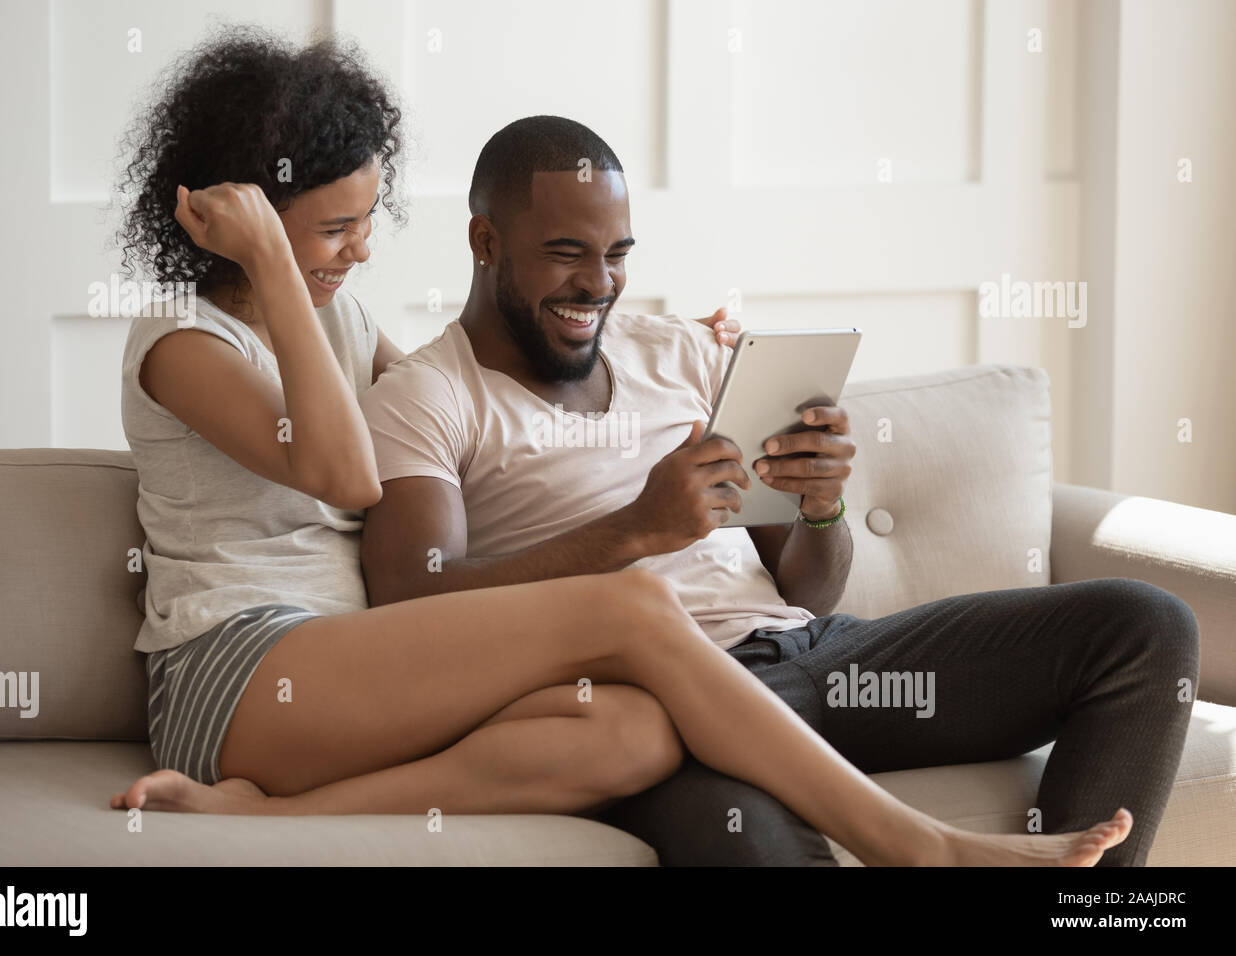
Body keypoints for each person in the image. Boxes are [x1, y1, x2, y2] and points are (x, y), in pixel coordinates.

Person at [357, 115, 1200, 866]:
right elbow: (408, 603)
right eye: (566, 253)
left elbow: (806, 584)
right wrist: (633, 532)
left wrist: (822, 506)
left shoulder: (680, 354)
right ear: (485, 242)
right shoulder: (429, 397)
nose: (598, 285)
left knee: (1143, 626)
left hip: (817, 660)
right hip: (660, 715)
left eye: (616, 254)